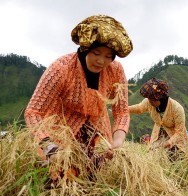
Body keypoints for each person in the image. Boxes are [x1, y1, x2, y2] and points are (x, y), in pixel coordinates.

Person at [24, 15, 133, 179]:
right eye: (96, 53)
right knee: (61, 179)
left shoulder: (115, 70)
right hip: (61, 132)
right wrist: (49, 147)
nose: (101, 61)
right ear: (85, 48)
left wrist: (118, 140)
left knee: (96, 179)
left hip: (97, 133)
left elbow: (122, 112)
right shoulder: (61, 68)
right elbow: (33, 112)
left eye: (108, 56)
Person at [128, 78, 188, 160]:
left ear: (161, 98)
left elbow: (180, 132)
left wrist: (169, 142)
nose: (150, 102)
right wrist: (125, 109)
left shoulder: (177, 108)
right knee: (153, 159)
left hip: (176, 139)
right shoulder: (149, 102)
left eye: (153, 100)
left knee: (175, 160)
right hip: (158, 136)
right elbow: (139, 108)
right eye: (149, 99)